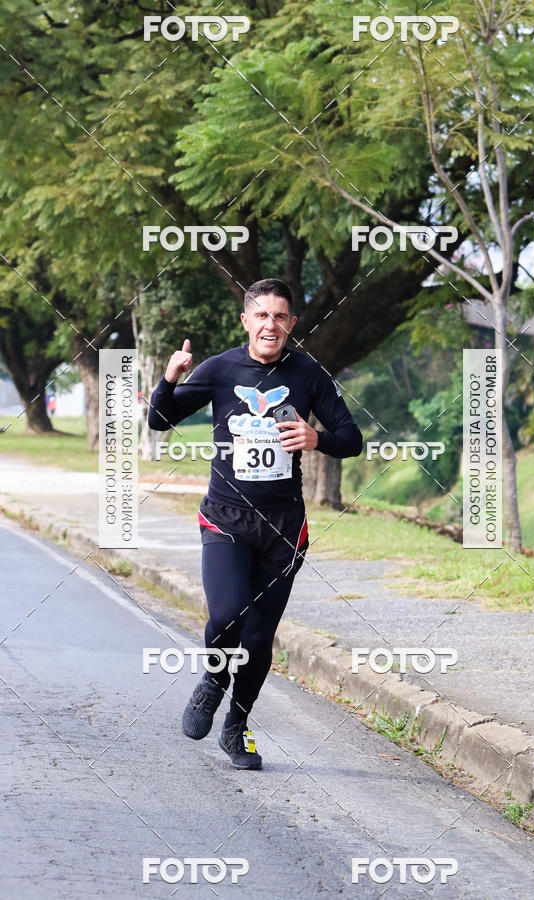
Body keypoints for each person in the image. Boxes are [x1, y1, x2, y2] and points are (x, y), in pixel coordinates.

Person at [148, 278, 363, 769]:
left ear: (291, 323)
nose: (271, 324)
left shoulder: (308, 373)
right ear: (246, 320)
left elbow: (351, 438)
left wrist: (316, 438)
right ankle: (213, 680)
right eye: (261, 315)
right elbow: (160, 419)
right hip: (225, 518)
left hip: (284, 529)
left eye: (280, 316)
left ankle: (236, 727)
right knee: (227, 615)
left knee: (261, 637)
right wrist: (170, 378)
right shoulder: (221, 369)